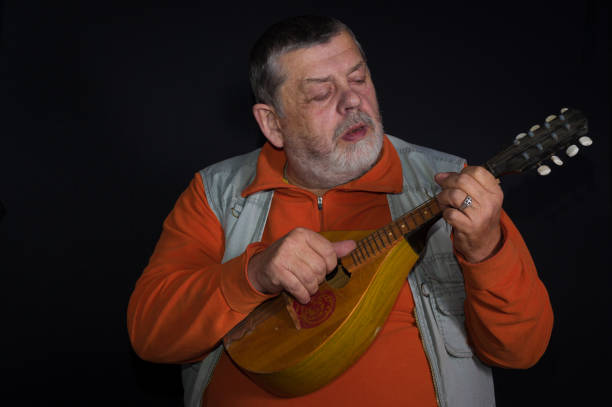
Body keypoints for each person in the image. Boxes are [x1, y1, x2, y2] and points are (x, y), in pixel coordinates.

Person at [127, 15, 553, 407]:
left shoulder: (449, 184)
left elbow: (520, 351)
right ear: (272, 123)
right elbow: (151, 336)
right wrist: (252, 274)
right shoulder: (216, 193)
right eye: (321, 93)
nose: (352, 101)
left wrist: (485, 249)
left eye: (358, 78)